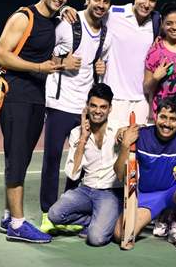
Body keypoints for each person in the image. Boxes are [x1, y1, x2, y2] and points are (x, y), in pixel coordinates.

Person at [0, 0, 70, 243]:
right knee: (17, 158)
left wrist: (66, 10)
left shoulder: (54, 20)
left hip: (38, 97)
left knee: (22, 158)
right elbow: (1, 54)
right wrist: (39, 66)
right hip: (17, 96)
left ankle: (7, 215)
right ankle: (17, 224)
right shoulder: (23, 16)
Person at [39, 0, 113, 233]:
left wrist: (99, 68)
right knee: (51, 158)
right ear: (87, 0)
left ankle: (68, 210)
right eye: (97, 0)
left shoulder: (106, 34)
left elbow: (98, 63)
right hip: (60, 103)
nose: (100, 5)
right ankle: (47, 212)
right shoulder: (67, 23)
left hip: (85, 108)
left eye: (105, 2)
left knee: (78, 161)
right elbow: (42, 53)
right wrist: (62, 61)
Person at [63, 0, 162, 125]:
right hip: (114, 99)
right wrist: (64, 9)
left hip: (142, 101)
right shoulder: (113, 13)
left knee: (137, 148)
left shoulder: (156, 21)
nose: (146, 4)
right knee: (110, 148)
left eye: (152, 0)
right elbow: (87, 15)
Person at [113, 97, 176, 249]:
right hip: (147, 196)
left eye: (173, 119)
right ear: (156, 116)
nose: (166, 123)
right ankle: (160, 216)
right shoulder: (141, 136)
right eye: (163, 117)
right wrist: (125, 145)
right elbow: (119, 174)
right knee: (120, 235)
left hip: (174, 193)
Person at [48, 83, 123, 246]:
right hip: (86, 190)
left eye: (103, 107)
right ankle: (97, 219)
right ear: (87, 106)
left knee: (96, 239)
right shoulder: (77, 133)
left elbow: (142, 129)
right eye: (93, 106)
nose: (97, 111)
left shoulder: (118, 128)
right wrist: (83, 138)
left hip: (110, 193)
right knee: (54, 214)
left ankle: (108, 217)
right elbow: (73, 174)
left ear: (110, 108)